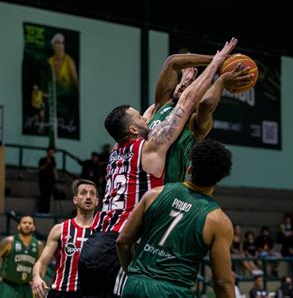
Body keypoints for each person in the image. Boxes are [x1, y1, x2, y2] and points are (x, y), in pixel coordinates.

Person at [79, 44, 244, 297]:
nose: (144, 117)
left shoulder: (125, 142)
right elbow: (181, 86)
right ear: (135, 128)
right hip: (130, 232)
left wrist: (192, 79)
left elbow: (200, 103)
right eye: (140, 117)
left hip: (106, 235)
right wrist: (219, 65)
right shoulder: (154, 129)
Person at [117, 139, 235, 297]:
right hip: (173, 291)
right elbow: (222, 282)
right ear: (219, 178)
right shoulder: (219, 221)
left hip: (135, 285)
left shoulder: (154, 194)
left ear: (190, 169)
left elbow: (122, 242)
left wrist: (134, 273)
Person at [143, 37, 252, 183]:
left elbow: (206, 104)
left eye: (190, 85)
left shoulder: (195, 122)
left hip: (167, 192)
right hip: (138, 187)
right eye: (183, 82)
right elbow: (172, 62)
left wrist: (221, 81)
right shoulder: (161, 105)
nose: (184, 84)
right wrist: (216, 60)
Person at [32, 179, 99, 298]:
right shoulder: (60, 229)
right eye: (83, 193)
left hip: (91, 293)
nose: (88, 197)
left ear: (97, 201)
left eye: (92, 193)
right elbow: (42, 262)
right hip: (61, 292)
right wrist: (37, 277)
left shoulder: (103, 231)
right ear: (75, 199)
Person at [0, 215, 43, 298]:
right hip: (8, 285)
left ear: (34, 227)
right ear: (18, 226)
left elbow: (41, 265)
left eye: (30, 223)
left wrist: (39, 281)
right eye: (24, 222)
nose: (27, 225)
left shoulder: (38, 245)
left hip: (26, 286)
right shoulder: (9, 241)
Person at [38, 147, 58, 213]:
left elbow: (54, 169)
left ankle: (46, 211)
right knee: (43, 195)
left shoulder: (53, 160)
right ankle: (41, 210)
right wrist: (47, 163)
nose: (51, 153)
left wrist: (56, 177)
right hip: (43, 180)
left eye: (52, 152)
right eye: (50, 152)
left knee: (48, 196)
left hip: (50, 181)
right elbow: (40, 168)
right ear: (47, 152)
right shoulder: (42, 159)